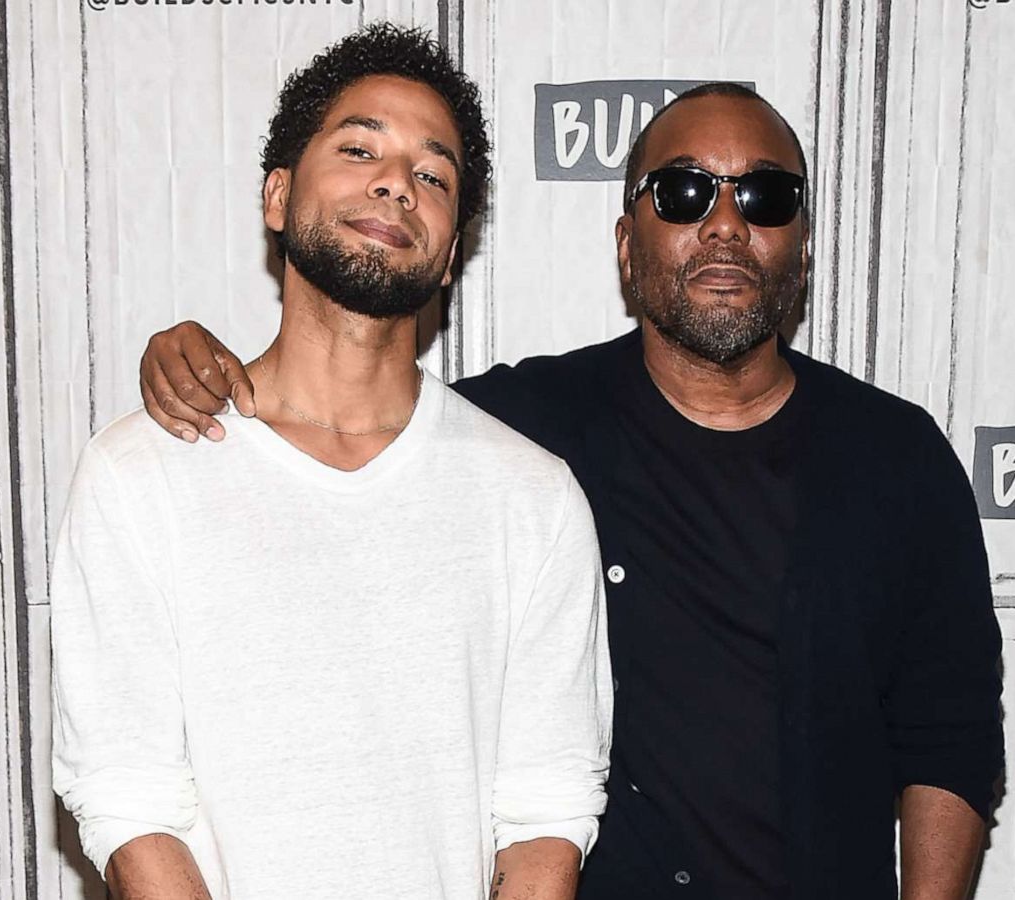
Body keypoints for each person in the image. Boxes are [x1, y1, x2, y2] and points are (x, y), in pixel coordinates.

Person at [139, 82, 1005, 898]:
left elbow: (950, 736)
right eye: (683, 194)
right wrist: (195, 359)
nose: (726, 226)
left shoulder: (898, 458)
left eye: (766, 198)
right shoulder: (518, 430)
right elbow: (345, 406)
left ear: (804, 244)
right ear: (628, 246)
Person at [51, 24, 612, 900]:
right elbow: (128, 798)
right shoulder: (140, 472)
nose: (396, 182)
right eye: (359, 149)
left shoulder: (530, 496)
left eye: (434, 174)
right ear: (277, 195)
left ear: (453, 246)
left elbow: (546, 806)